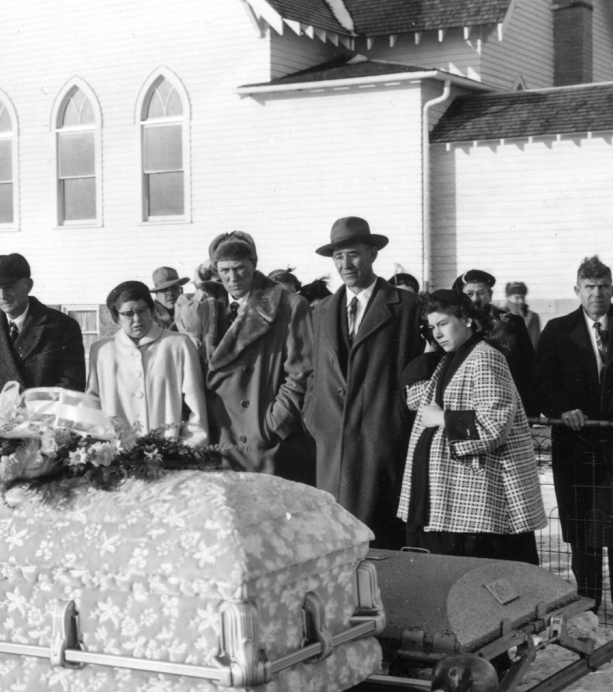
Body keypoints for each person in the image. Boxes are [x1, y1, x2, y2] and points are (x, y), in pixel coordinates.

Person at [303, 217, 423, 549]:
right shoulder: (323, 310)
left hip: (381, 442)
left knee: (378, 541)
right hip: (332, 442)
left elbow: (420, 371)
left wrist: (397, 417)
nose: (345, 264)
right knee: (335, 538)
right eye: (338, 257)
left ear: (372, 254)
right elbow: (314, 370)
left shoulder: (406, 307)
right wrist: (314, 416)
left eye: (353, 255)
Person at [399, 290, 545, 563]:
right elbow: (415, 399)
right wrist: (429, 350)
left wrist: (443, 418)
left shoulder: (485, 358)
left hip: (475, 499)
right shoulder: (450, 358)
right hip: (447, 496)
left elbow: (495, 427)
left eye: (443, 324)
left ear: (466, 319)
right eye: (432, 327)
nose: (437, 334)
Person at [180, 232, 313, 480]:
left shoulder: (289, 305)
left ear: (254, 264)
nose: (233, 278)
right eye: (225, 270)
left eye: (240, 268)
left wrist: (274, 424)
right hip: (219, 436)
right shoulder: (208, 306)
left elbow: (302, 374)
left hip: (261, 440)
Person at [533, 255, 613, 612]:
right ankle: (590, 612)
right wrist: (564, 408)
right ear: (577, 290)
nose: (597, 293)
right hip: (577, 450)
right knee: (583, 537)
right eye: (590, 287)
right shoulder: (557, 330)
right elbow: (542, 384)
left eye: (603, 286)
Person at [88, 281, 207, 444]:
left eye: (142, 310)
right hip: (117, 452)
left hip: (169, 450)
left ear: (152, 310)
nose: (137, 319)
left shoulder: (178, 345)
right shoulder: (101, 351)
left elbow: (195, 404)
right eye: (128, 314)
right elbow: (92, 405)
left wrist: (189, 447)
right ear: (116, 317)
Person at [0, 253, 85, 409]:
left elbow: (72, 386)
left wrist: (31, 410)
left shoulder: (62, 326)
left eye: (9, 287)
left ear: (28, 285)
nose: (2, 296)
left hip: (43, 422)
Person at [453, 269, 535, 410]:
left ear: (490, 295)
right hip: (468, 401)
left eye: (480, 293)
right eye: (469, 294)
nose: (475, 299)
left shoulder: (511, 321)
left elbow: (528, 365)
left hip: (507, 398)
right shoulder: (456, 324)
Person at [149, 266, 189, 331]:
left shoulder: (189, 310)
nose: (170, 294)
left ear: (180, 291)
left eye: (174, 288)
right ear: (156, 294)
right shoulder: (150, 317)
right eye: (165, 290)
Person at [503, 281, 541, 350]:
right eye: (517, 297)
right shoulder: (501, 314)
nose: (521, 301)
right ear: (508, 297)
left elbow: (534, 341)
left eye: (522, 297)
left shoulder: (532, 316)